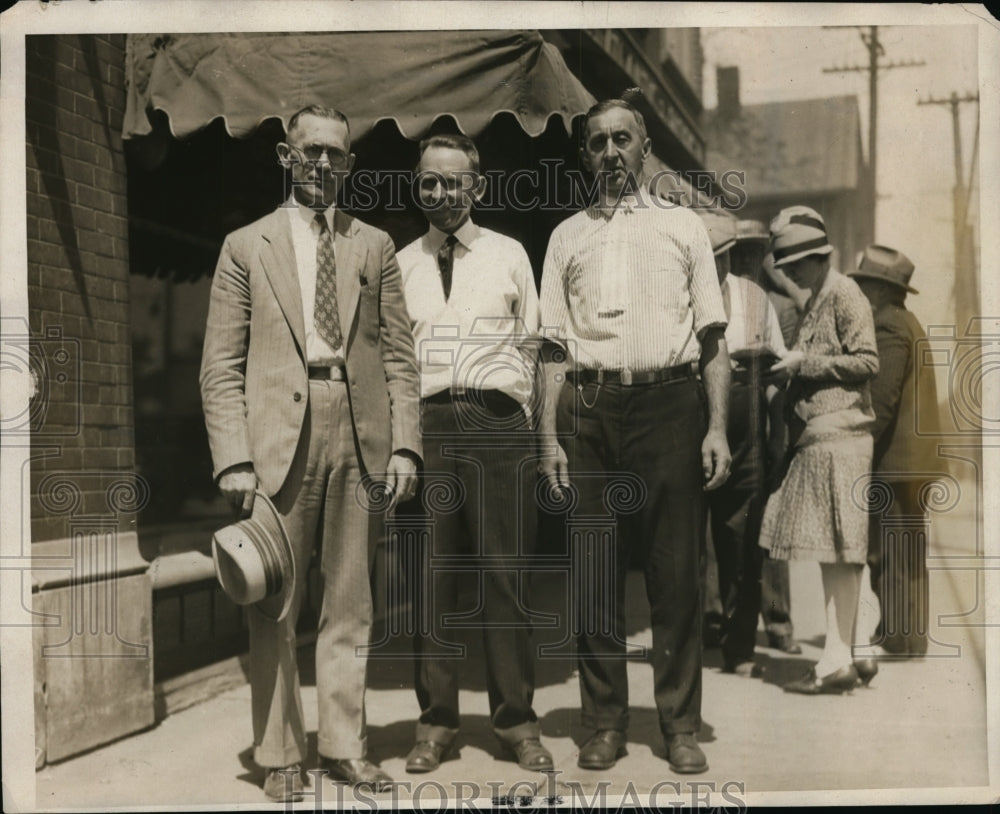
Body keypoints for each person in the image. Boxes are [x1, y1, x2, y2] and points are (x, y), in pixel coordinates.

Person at [199, 105, 422, 801]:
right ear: (286, 156)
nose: (324, 163)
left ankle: (345, 746)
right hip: (276, 439)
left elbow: (400, 357)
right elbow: (220, 365)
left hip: (360, 432)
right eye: (312, 151)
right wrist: (233, 456)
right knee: (275, 600)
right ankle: (279, 754)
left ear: (350, 163)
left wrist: (406, 446)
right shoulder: (246, 246)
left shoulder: (374, 245)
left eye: (337, 153)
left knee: (352, 601)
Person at [539, 99, 731, 774]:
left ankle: (679, 724)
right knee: (593, 573)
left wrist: (717, 428)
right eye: (597, 142)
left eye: (622, 138)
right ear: (584, 155)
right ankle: (603, 724)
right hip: (589, 410)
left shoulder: (684, 227)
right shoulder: (565, 236)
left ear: (645, 147)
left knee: (675, 576)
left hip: (670, 406)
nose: (611, 152)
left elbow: (714, 342)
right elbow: (551, 351)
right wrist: (548, 439)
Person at [396, 133, 553, 774]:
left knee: (505, 576)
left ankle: (517, 721)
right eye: (429, 181)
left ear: (477, 186)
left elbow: (535, 352)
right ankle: (435, 722)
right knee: (431, 580)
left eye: (454, 181)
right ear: (418, 186)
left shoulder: (509, 253)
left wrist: (541, 439)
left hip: (498, 424)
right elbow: (392, 363)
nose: (441, 192)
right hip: (428, 424)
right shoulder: (398, 263)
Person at [758, 206, 879, 695]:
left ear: (817, 257)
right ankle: (859, 650)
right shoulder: (819, 296)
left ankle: (835, 661)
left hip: (840, 436)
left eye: (795, 266)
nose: (790, 275)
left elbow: (867, 360)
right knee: (843, 553)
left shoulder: (843, 292)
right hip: (829, 437)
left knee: (837, 553)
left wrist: (802, 364)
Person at [698, 212, 788, 677]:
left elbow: (775, 374)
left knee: (743, 541)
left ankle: (740, 649)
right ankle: (688, 643)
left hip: (746, 425)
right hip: (689, 421)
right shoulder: (675, 295)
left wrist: (777, 437)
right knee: (684, 541)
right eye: (705, 257)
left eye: (721, 257)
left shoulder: (753, 297)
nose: (714, 266)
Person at [849, 244, 940, 660]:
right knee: (908, 552)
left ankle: (899, 639)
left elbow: (880, 404)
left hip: (894, 464)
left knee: (888, 552)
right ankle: (907, 637)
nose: (861, 293)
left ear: (884, 290)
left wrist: (855, 443)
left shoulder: (886, 326)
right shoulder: (908, 322)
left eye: (867, 284)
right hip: (913, 464)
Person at [732, 222, 802, 656]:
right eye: (737, 252)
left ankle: (778, 621)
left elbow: (786, 373)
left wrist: (779, 435)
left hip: (769, 417)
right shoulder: (716, 297)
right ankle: (718, 618)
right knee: (725, 528)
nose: (745, 261)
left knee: (770, 524)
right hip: (728, 422)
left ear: (764, 258)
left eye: (753, 252)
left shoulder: (779, 307)